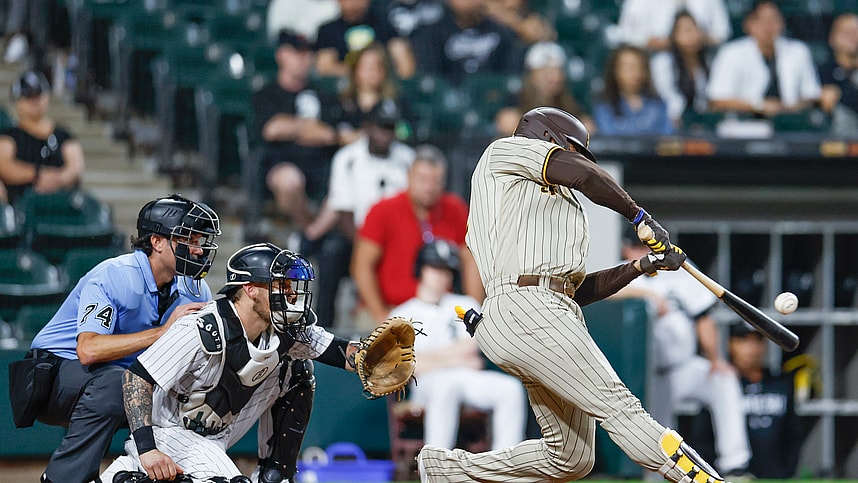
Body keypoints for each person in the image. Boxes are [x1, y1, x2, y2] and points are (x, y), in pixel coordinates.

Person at [416, 106, 727, 483]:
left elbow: (575, 291)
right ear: (548, 138)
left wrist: (642, 266)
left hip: (539, 311)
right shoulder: (505, 151)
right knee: (621, 408)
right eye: (573, 149)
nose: (578, 158)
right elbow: (583, 172)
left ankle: (449, 471)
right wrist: (638, 215)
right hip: (526, 307)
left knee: (570, 457)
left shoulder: (539, 204)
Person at [99, 243, 363, 483]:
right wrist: (148, 450)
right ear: (250, 289)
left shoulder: (283, 327)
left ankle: (276, 475)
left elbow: (340, 351)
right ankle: (133, 474)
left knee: (297, 368)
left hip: (216, 436)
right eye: (280, 285)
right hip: (168, 432)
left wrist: (380, 359)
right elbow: (136, 378)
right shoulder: (201, 326)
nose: (291, 294)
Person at [16, 194, 221, 483]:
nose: (198, 250)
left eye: (200, 241)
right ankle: (62, 478)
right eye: (189, 239)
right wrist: (164, 332)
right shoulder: (115, 274)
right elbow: (88, 349)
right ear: (157, 242)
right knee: (117, 382)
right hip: (52, 375)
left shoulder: (195, 289)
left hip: (122, 379)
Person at [612, 231, 752, 477]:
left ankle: (735, 465)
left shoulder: (674, 268)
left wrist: (715, 359)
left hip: (684, 366)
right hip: (649, 377)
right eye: (635, 248)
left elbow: (703, 316)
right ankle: (658, 475)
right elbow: (604, 294)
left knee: (724, 381)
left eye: (645, 247)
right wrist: (647, 295)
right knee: (656, 438)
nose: (642, 252)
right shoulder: (623, 273)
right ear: (626, 251)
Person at [391, 239, 526, 450]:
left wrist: (427, 357)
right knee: (446, 385)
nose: (440, 275)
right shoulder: (401, 314)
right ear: (421, 269)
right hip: (427, 383)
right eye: (434, 268)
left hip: (467, 379)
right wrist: (454, 359)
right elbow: (403, 366)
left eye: (446, 270)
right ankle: (436, 470)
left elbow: (473, 346)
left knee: (510, 389)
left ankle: (504, 468)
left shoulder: (464, 304)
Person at [300, 100, 415, 328]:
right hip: (356, 233)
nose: (386, 133)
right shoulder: (347, 157)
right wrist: (367, 245)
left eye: (391, 127)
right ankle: (323, 325)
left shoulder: (408, 158)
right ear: (369, 126)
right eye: (381, 126)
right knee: (331, 251)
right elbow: (343, 210)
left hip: (396, 237)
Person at [351, 145, 480, 328]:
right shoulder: (383, 210)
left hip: (439, 309)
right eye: (422, 179)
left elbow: (471, 261)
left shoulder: (455, 209)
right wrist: (380, 314)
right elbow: (361, 266)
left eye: (436, 181)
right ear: (409, 177)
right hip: (389, 308)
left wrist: (473, 309)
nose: (429, 187)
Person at [251, 30, 339, 236]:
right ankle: (310, 231)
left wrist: (291, 128)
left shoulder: (322, 93)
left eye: (308, 53)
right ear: (281, 55)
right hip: (280, 163)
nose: (304, 59)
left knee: (345, 185)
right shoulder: (267, 94)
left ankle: (310, 235)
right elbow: (272, 130)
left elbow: (328, 134)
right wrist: (308, 127)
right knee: (289, 180)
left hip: (320, 166)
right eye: (298, 53)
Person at [707, 1, 821, 117]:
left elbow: (811, 95)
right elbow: (717, 99)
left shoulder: (798, 51)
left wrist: (788, 107)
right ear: (748, 24)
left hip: (790, 122)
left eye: (773, 20)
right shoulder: (731, 53)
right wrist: (759, 106)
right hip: (744, 121)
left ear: (782, 23)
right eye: (762, 21)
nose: (768, 26)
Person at [728, 321, 806, 479]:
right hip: (731, 477)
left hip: (776, 475)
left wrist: (787, 471)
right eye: (744, 340)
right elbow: (703, 437)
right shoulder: (723, 387)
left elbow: (793, 432)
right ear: (731, 344)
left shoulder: (781, 384)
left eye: (757, 340)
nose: (751, 348)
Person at [0, 70, 84, 206]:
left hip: (61, 205)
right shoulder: (9, 136)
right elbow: (3, 166)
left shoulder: (63, 136)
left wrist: (58, 179)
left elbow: (75, 166)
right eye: (28, 96)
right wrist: (36, 174)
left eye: (38, 95)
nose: (34, 101)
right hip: (20, 207)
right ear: (17, 101)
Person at [411, 0, 524, 85]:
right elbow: (432, 78)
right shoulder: (433, 35)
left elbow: (511, 76)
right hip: (449, 105)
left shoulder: (500, 32)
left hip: (492, 100)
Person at [494, 41, 594, 137]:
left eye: (557, 71)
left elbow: (587, 125)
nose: (553, 78)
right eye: (545, 72)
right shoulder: (517, 98)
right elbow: (506, 121)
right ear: (532, 75)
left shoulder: (570, 100)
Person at [314, 0, 416, 80]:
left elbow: (406, 66)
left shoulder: (384, 25)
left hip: (383, 90)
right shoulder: (328, 30)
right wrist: (364, 73)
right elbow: (325, 68)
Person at [593, 45, 675, 136]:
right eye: (629, 68)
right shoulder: (605, 107)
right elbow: (607, 137)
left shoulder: (658, 105)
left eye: (640, 67)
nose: (635, 73)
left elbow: (666, 139)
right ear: (615, 71)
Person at [650, 11, 712, 125]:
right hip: (670, 122)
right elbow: (664, 98)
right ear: (674, 35)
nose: (693, 35)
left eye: (696, 29)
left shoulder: (708, 61)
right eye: (687, 31)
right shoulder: (663, 63)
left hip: (701, 122)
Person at [615, 0, 731, 52]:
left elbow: (723, 33)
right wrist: (667, 42)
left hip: (700, 65)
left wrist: (698, 38)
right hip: (657, 66)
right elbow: (625, 34)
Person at [818, 13, 858, 137]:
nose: (851, 37)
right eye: (846, 32)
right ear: (832, 38)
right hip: (836, 139)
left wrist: (839, 95)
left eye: (855, 32)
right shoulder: (823, 71)